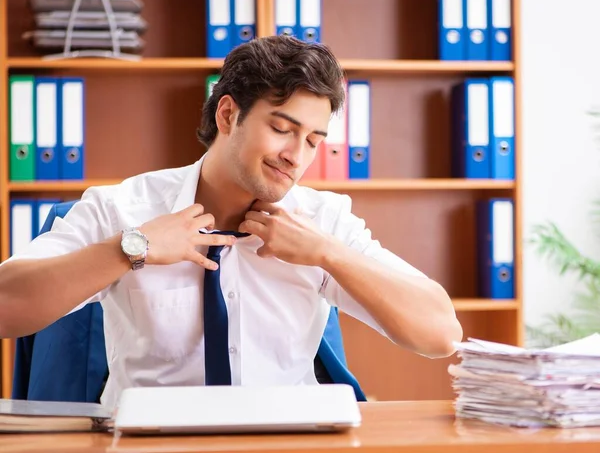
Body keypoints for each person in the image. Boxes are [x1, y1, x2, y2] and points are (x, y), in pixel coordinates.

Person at [0, 35, 462, 409]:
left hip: (286, 445)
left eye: (313, 141)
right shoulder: (126, 208)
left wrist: (328, 254)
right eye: (282, 129)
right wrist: (131, 248)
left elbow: (441, 335)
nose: (295, 156)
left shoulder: (320, 221)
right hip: (152, 446)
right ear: (227, 114)